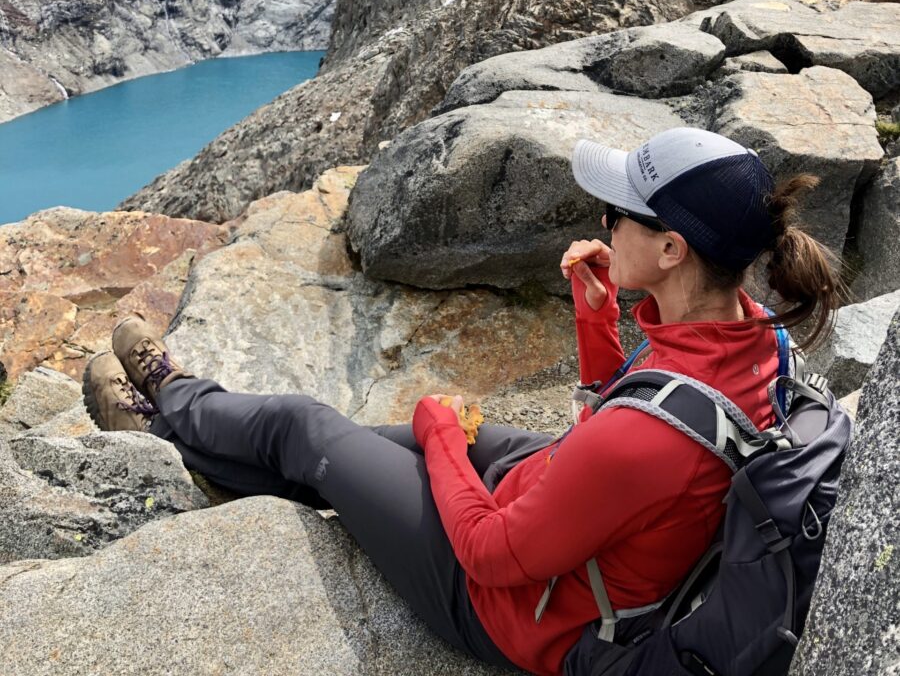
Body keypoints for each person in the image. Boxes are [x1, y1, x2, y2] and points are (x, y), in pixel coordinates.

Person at [83, 127, 843, 676]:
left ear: (673, 249)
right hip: (587, 531)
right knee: (367, 450)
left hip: (517, 612)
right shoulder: (758, 342)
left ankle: (167, 406)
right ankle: (216, 454)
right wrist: (596, 315)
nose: (604, 222)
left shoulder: (644, 441)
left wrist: (441, 431)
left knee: (308, 428)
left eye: (620, 213)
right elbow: (638, 426)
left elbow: (495, 554)